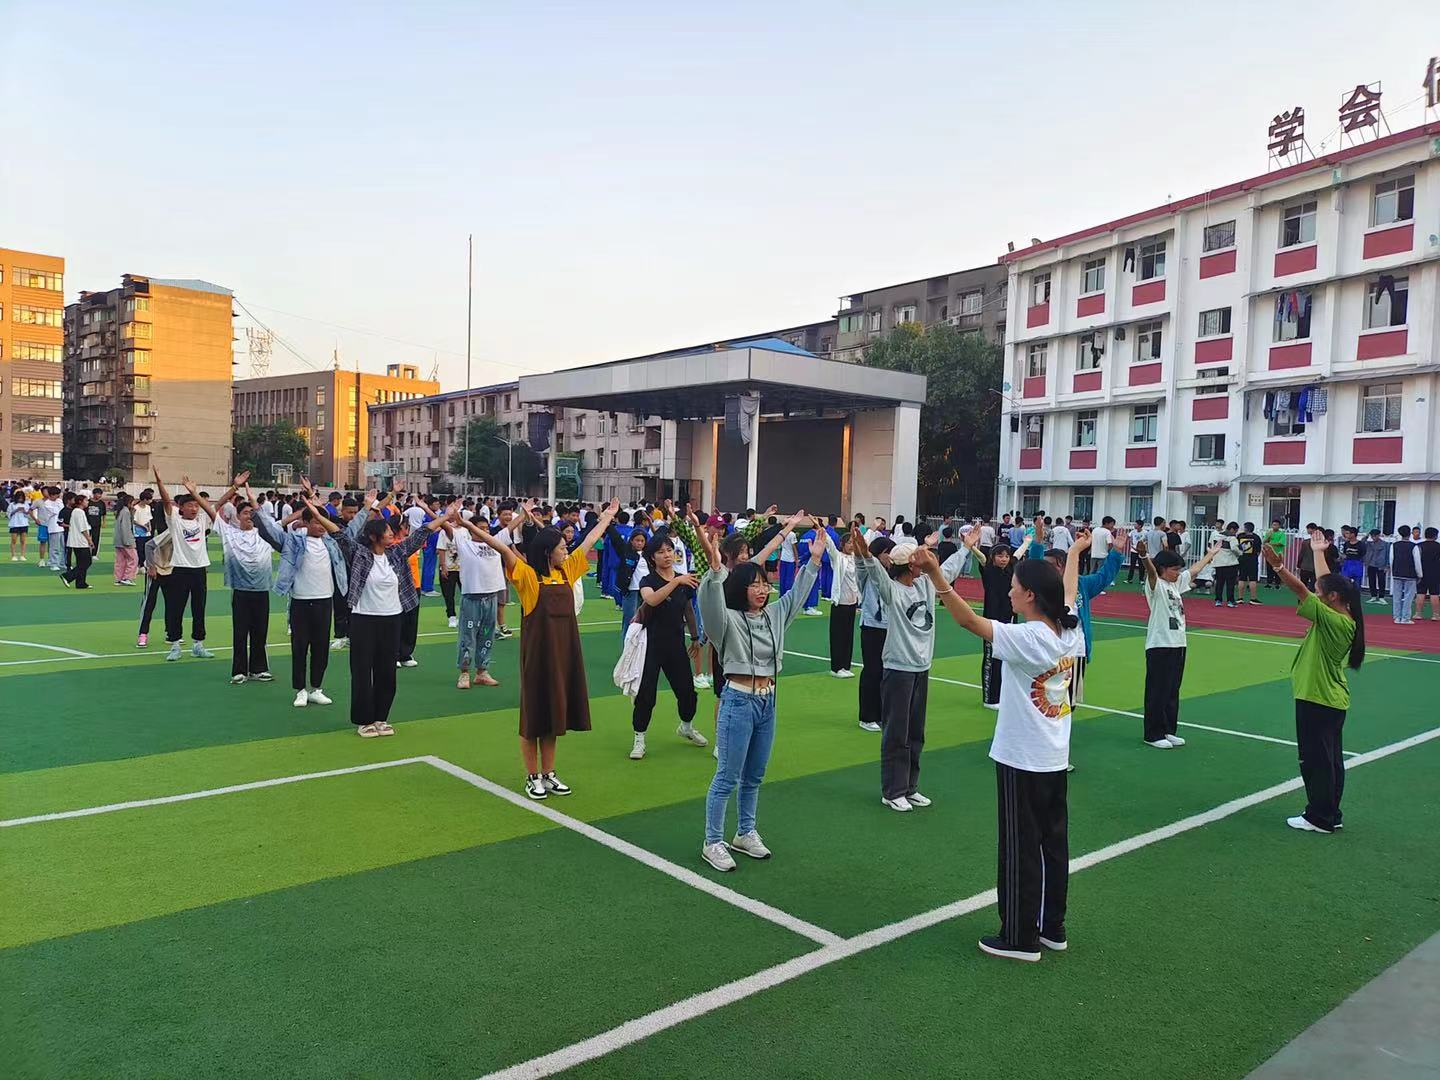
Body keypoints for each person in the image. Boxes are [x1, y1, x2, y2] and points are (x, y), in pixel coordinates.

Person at [922, 540, 1083, 963]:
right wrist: (1075, 555)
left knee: (1019, 846)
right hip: (1053, 756)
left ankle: (1019, 937)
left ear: (1030, 594)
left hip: (1021, 757)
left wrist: (936, 575)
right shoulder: (1069, 629)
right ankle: (1052, 927)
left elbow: (968, 620)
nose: (1008, 591)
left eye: (1013, 586)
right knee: (1052, 845)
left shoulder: (1028, 637)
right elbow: (1068, 591)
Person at [691, 515, 823, 872]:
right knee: (727, 776)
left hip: (768, 701)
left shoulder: (775, 615)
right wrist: (714, 572)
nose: (762, 590)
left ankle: (745, 832)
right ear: (740, 588)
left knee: (754, 775)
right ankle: (712, 841)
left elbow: (796, 596)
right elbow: (710, 605)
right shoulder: (727, 620)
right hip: (738, 700)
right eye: (754, 585)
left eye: (765, 584)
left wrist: (814, 560)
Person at [473, 498, 619, 798]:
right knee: (534, 718)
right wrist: (466, 525)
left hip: (564, 655)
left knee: (554, 717)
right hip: (538, 658)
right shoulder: (529, 577)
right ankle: (532, 776)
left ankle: (549, 773)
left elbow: (589, 541)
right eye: (561, 547)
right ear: (547, 551)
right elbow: (503, 549)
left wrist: (607, 517)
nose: (566, 550)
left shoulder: (567, 571)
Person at [326, 487, 452, 737]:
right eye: (387, 531)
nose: (392, 533)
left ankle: (381, 717)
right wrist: (318, 512)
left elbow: (422, 533)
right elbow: (339, 535)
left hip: (392, 619)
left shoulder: (396, 553)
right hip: (363, 620)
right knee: (362, 671)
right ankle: (364, 721)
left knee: (387, 671)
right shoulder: (360, 554)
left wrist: (446, 516)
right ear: (374, 537)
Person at [1261, 534, 1364, 833]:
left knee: (1315, 761)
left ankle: (1319, 817)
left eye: (1322, 593)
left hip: (1317, 697)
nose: (1317, 594)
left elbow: (1302, 590)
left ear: (1332, 598)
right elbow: (1324, 584)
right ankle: (1331, 812)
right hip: (1331, 699)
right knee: (1330, 761)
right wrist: (1319, 552)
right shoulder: (1344, 614)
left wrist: (1279, 567)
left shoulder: (1333, 620)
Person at [853, 528, 939, 813]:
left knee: (916, 732)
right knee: (896, 733)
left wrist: (964, 547)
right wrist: (865, 554)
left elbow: (945, 571)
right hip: (898, 668)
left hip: (921, 668)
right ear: (909, 566)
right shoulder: (892, 590)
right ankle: (893, 791)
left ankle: (910, 787)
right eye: (917, 560)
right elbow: (876, 573)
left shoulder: (925, 585)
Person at [255, 484, 353, 708]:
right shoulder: (294, 541)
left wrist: (369, 508)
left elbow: (352, 529)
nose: (321, 526)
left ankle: (316, 688)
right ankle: (300, 690)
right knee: (299, 648)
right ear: (306, 523)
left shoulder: (332, 543)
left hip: (324, 601)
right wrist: (255, 506)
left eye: (323, 522)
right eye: (316, 522)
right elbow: (270, 531)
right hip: (300, 602)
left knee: (321, 648)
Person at [1138, 538, 1221, 748]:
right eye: (1174, 569)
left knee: (1172, 690)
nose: (1178, 573)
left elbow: (1193, 571)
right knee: (1157, 690)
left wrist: (1210, 555)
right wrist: (1144, 556)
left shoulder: (1175, 584)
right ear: (1163, 569)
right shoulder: (1156, 585)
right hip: (1160, 645)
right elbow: (1151, 572)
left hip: (1178, 644)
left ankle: (1168, 730)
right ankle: (1153, 734)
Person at [628, 535, 705, 760]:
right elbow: (651, 600)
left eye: (669, 550)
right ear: (652, 557)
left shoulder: (683, 580)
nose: (667, 555)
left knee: (687, 692)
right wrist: (676, 582)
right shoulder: (648, 580)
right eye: (661, 552)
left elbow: (688, 609)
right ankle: (639, 737)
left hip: (675, 644)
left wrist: (695, 637)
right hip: (650, 646)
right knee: (646, 695)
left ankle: (686, 726)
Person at [211, 473, 277, 685]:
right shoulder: (229, 533)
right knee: (240, 633)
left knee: (260, 632)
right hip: (240, 591)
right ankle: (239, 671)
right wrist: (234, 488)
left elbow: (281, 521)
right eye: (245, 513)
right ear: (237, 516)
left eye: (252, 513)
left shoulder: (266, 534)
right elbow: (213, 509)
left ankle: (259, 669)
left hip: (262, 590)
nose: (249, 516)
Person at [152, 469, 216, 661]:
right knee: (176, 608)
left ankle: (198, 644)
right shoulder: (175, 521)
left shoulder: (202, 520)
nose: (194, 509)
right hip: (180, 570)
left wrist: (235, 487)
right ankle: (175, 645)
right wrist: (159, 481)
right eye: (190, 505)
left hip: (199, 571)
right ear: (181, 507)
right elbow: (166, 501)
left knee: (199, 609)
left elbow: (217, 505)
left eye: (196, 505)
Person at [449, 513, 508, 689]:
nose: (485, 531)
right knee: (467, 637)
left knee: (487, 635)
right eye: (480, 528)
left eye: (486, 528)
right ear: (471, 530)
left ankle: (482, 672)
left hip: (491, 597)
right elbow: (447, 528)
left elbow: (511, 527)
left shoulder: (494, 542)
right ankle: (464, 673)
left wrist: (524, 514)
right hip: (472, 598)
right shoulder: (464, 543)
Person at [828, 530, 860, 678]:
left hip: (852, 602)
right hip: (840, 602)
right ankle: (836, 667)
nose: (851, 545)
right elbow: (830, 546)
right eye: (848, 543)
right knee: (838, 636)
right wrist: (820, 529)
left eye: (853, 543)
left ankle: (846, 665)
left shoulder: (855, 558)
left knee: (848, 635)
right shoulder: (838, 558)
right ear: (842, 544)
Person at [1388, 525, 1421, 625]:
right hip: (1410, 574)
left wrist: (1393, 572)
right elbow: (1417, 562)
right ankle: (1405, 618)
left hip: (1397, 573)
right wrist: (1419, 574)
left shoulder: (1394, 545)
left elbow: (1391, 560)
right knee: (1408, 597)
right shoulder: (1414, 546)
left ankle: (1397, 617)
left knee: (1396, 596)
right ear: (1410, 533)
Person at [59, 494, 93, 589]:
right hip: (80, 541)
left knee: (81, 562)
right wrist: (89, 540)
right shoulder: (79, 512)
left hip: (76, 541)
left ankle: (81, 583)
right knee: (86, 562)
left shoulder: (75, 511)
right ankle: (67, 576)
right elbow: (83, 528)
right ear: (80, 502)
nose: (87, 502)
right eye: (86, 500)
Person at [1211, 522, 1240, 608]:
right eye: (1236, 531)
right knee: (1230, 583)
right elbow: (1234, 549)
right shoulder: (1232, 538)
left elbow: (1213, 547)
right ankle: (1230, 601)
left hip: (1218, 563)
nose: (1236, 533)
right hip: (1230, 563)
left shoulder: (1216, 536)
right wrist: (1240, 553)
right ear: (1232, 529)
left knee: (1219, 582)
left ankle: (1218, 600)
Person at [111, 493, 138, 585]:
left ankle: (118, 578)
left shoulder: (120, 511)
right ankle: (127, 578)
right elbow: (126, 527)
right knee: (133, 559)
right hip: (125, 540)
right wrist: (128, 541)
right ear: (129, 502)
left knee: (120, 560)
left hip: (118, 540)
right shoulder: (126, 512)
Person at [1235, 522, 1262, 605]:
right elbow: (1259, 550)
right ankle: (1253, 598)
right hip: (1252, 560)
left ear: (1245, 528)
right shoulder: (1256, 537)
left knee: (1241, 578)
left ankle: (1240, 598)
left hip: (1242, 558)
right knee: (1252, 579)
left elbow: (1237, 547)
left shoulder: (1240, 536)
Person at [1362, 528, 1390, 604]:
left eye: (1375, 536)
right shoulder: (1369, 544)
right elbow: (1362, 542)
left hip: (1381, 565)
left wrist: (1387, 566)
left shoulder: (1385, 544)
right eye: (1372, 536)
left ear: (1378, 535)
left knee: (1382, 581)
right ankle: (1373, 596)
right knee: (1371, 581)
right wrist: (1366, 536)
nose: (1373, 538)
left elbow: (1387, 555)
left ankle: (1381, 597)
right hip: (1371, 564)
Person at [1418, 527, 1440, 622]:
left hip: (1421, 573)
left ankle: (1418, 613)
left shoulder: (1419, 546)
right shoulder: (1438, 546)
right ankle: (1435, 615)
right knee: (1434, 594)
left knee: (1420, 593)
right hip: (1435, 573)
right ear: (1435, 536)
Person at [7, 492, 31, 561]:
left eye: (22, 497)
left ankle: (22, 555)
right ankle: (13, 555)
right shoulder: (12, 504)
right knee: (14, 540)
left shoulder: (26, 504)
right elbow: (8, 514)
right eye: (19, 497)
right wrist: (16, 510)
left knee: (23, 540)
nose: (20, 499)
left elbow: (28, 515)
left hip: (24, 524)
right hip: (14, 524)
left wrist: (24, 511)